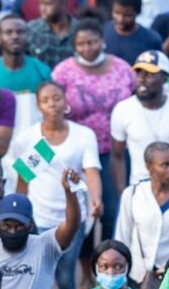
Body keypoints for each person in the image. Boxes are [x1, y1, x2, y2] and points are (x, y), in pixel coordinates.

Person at [14, 81, 101, 289]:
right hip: (38, 218)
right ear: (38, 106)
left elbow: (91, 171)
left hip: (72, 218)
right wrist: (18, 212)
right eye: (45, 100)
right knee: (38, 276)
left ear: (66, 102)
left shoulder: (83, 135)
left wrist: (96, 198)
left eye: (56, 98)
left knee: (65, 276)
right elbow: (23, 179)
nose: (52, 104)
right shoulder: (29, 138)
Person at [52, 19, 134, 235]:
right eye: (81, 44)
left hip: (113, 152)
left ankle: (109, 259)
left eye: (92, 42)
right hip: (77, 153)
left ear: (103, 41)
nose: (87, 48)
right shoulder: (63, 72)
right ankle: (84, 264)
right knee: (81, 210)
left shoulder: (122, 68)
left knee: (112, 209)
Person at [110, 50, 169, 192]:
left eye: (149, 74)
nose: (142, 79)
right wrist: (124, 195)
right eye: (139, 73)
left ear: (164, 78)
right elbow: (117, 155)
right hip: (139, 189)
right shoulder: (123, 109)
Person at [115, 142, 169, 284]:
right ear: (148, 167)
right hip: (137, 274)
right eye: (165, 165)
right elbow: (123, 236)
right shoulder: (132, 194)